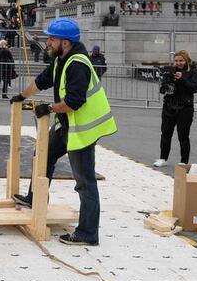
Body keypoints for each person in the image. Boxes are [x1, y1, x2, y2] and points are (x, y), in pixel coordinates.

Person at [10, 18, 117, 246]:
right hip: (67, 124)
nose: (48, 42)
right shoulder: (61, 59)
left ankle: (88, 233)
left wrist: (48, 108)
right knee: (43, 156)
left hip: (81, 129)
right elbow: (43, 81)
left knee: (84, 181)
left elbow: (73, 102)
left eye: (52, 38)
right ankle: (35, 198)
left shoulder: (78, 64)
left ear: (65, 42)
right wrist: (22, 96)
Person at [153, 50, 197, 168]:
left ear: (186, 60)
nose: (178, 63)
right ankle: (163, 158)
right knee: (165, 133)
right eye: (176, 61)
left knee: (183, 135)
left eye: (181, 60)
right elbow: (162, 90)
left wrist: (182, 79)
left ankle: (184, 161)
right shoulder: (170, 71)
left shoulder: (194, 72)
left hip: (185, 107)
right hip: (169, 106)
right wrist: (167, 82)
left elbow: (195, 88)